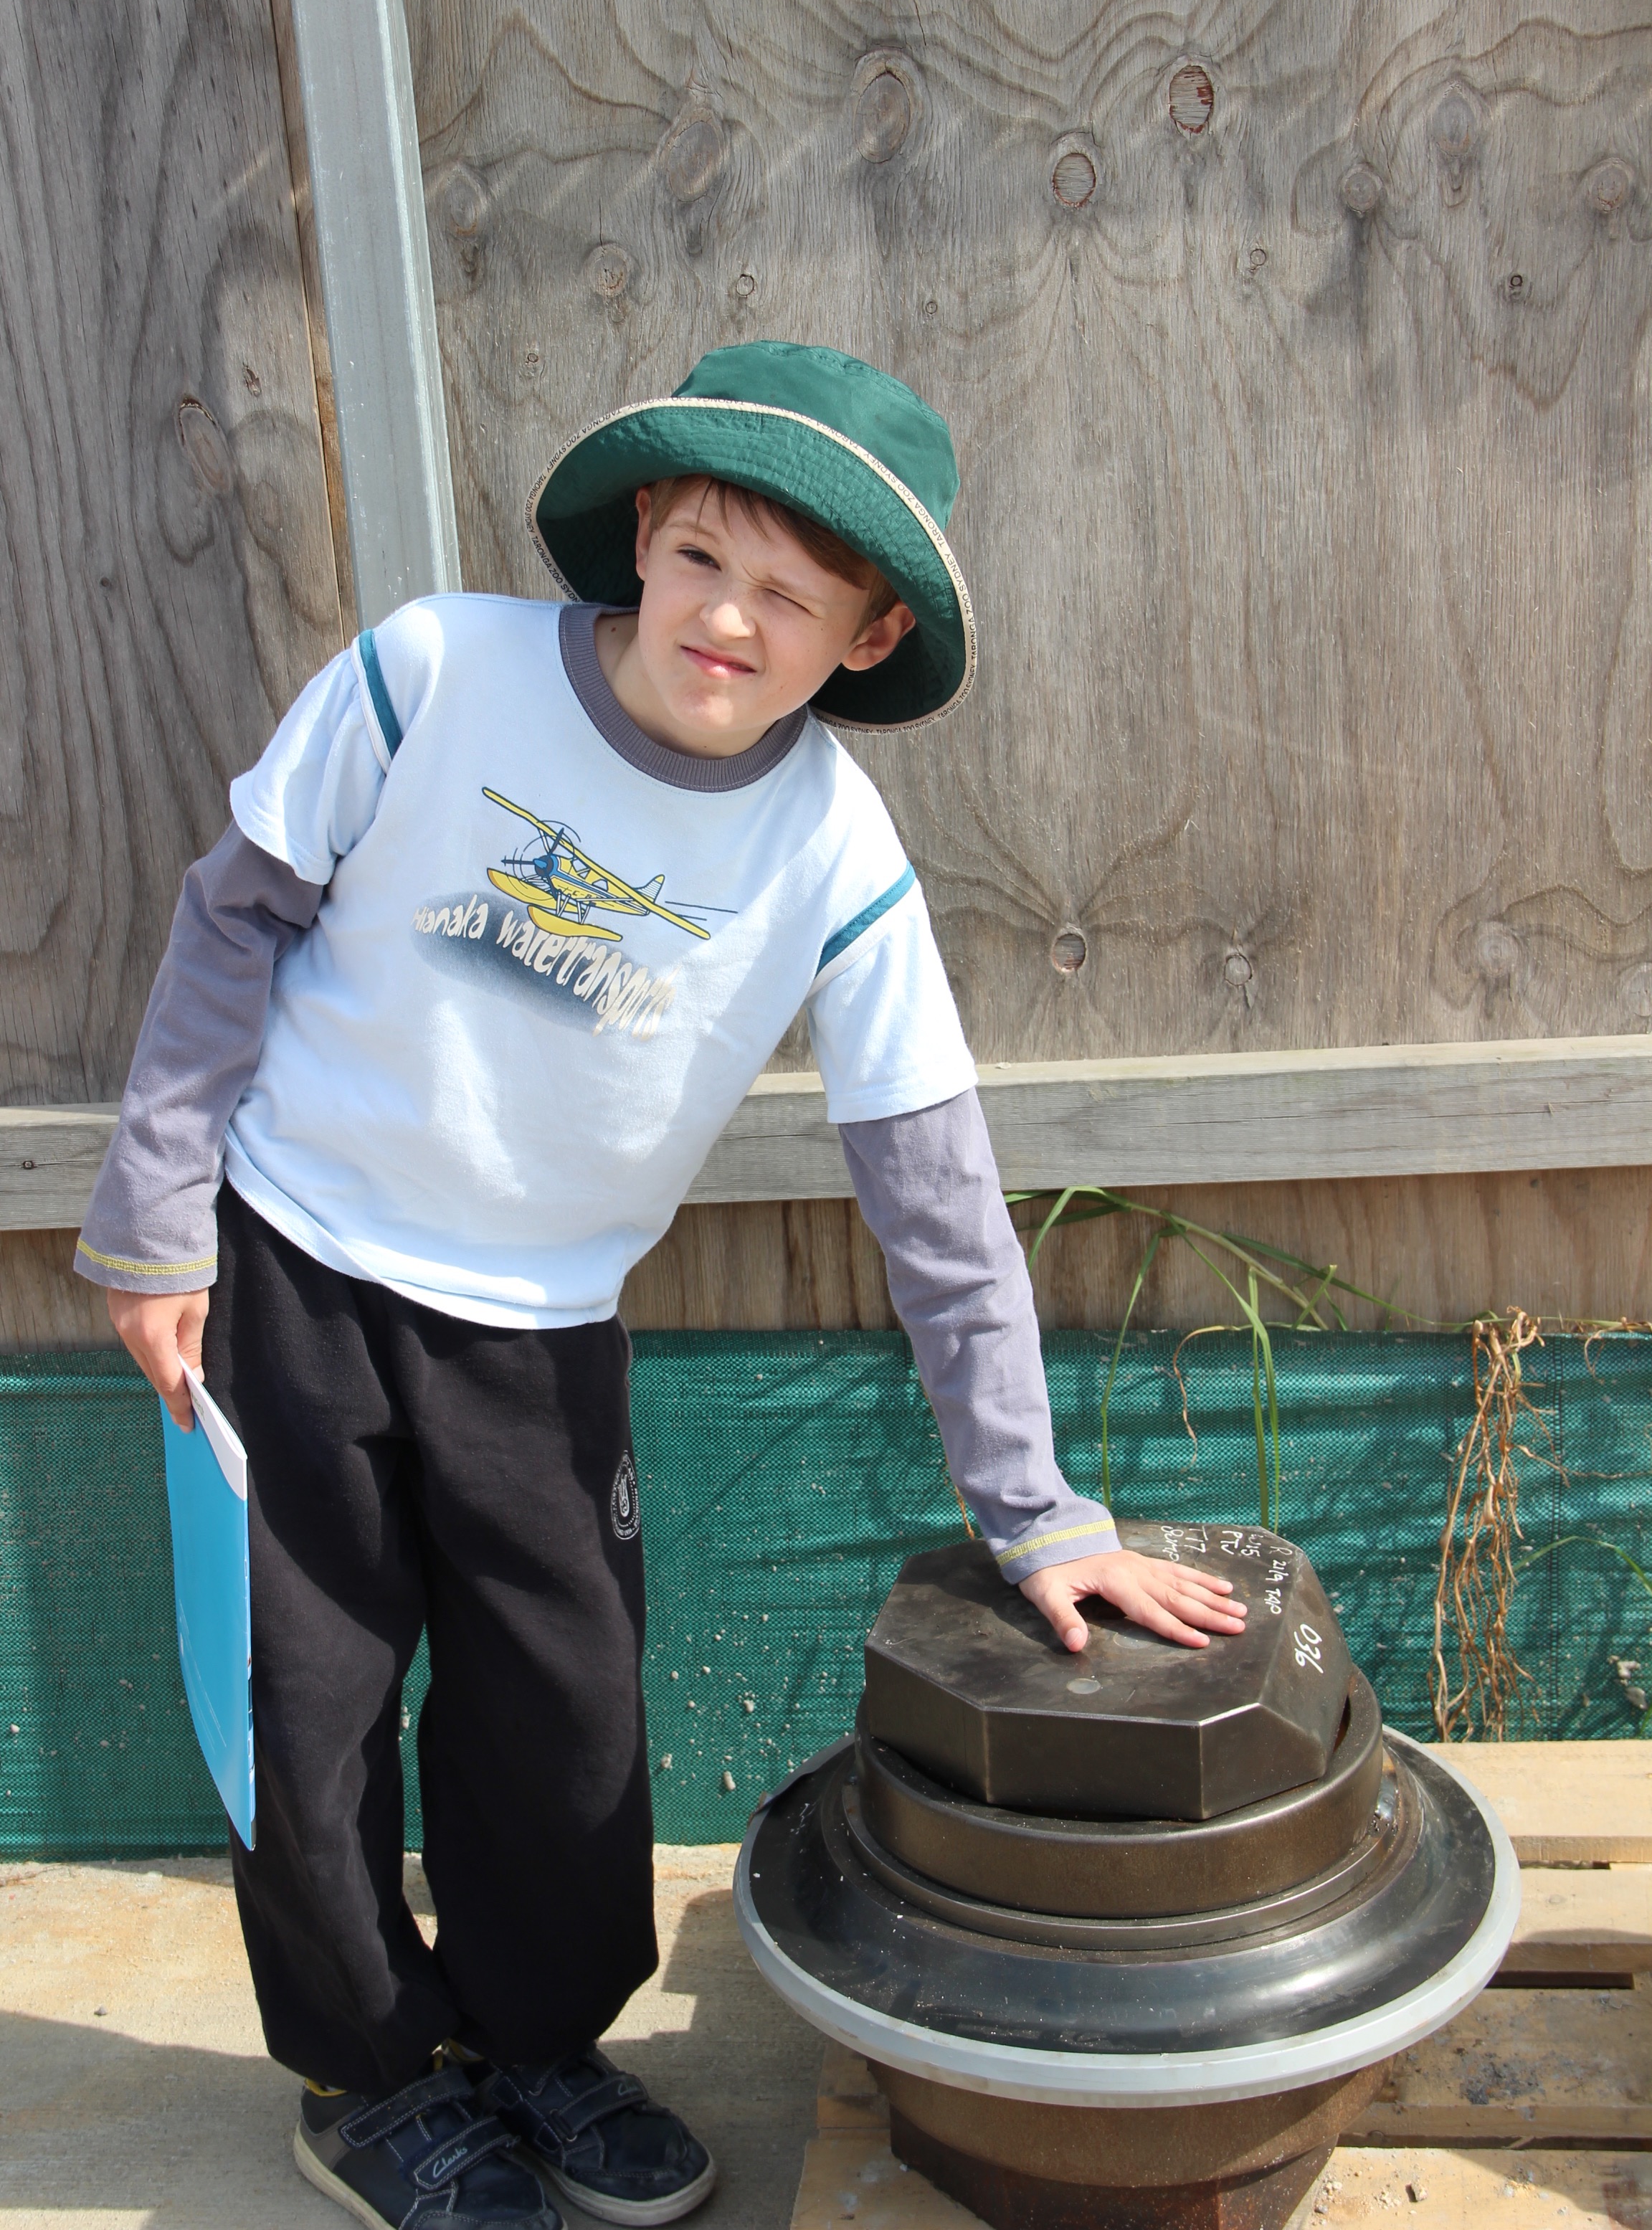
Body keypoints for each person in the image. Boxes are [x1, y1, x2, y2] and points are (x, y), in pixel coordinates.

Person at [78, 342, 1245, 2230]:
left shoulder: (832, 847)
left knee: (565, 1724)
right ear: (643, 534)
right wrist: (154, 1223)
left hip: (545, 1339)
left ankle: (536, 2044)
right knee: (302, 1713)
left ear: (868, 639)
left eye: (791, 596)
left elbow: (936, 1195)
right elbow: (234, 921)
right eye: (703, 557)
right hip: (293, 1273)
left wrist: (1033, 1510)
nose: (729, 618)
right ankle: (371, 2083)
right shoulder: (431, 674)